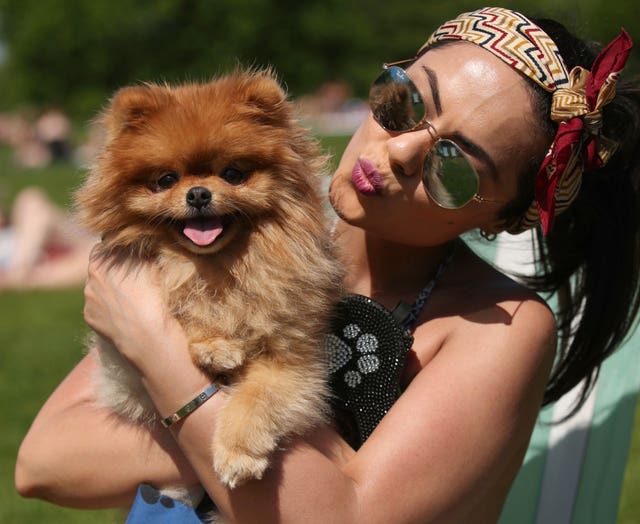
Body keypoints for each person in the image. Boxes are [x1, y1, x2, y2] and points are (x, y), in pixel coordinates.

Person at [14, 7, 640, 523]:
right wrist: (283, 445)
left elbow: (341, 517)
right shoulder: (231, 236)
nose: (398, 150)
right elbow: (46, 462)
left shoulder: (499, 327)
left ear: (503, 217)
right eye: (403, 103)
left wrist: (159, 346)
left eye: (454, 166)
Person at [0, 186, 96, 290]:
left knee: (30, 200)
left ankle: (20, 270)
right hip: (47, 263)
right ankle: (20, 271)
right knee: (96, 261)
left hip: (65, 243)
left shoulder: (15, 228)